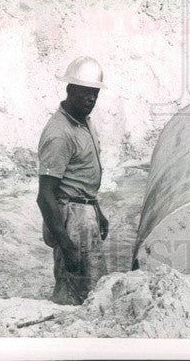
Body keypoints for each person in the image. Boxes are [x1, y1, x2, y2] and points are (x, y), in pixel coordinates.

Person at [37, 56, 110, 305]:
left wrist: (97, 209)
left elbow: (81, 178)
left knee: (92, 288)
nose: (91, 99)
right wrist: (65, 243)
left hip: (85, 212)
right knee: (72, 291)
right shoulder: (60, 133)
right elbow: (45, 194)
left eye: (95, 93)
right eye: (85, 92)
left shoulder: (84, 122)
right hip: (71, 218)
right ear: (70, 89)